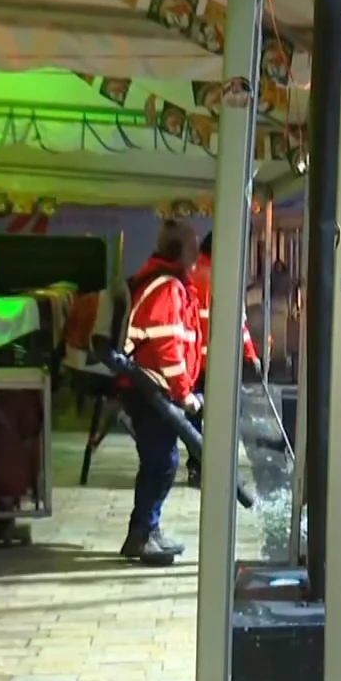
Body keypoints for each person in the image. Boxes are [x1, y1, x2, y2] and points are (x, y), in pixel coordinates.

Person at [116, 221, 204, 566]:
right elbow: (168, 347)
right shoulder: (167, 287)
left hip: (148, 389)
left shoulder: (165, 282)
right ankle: (144, 534)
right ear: (177, 250)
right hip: (151, 391)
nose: (196, 252)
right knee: (161, 463)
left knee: (158, 462)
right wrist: (184, 394)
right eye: (192, 245)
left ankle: (143, 532)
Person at [186, 232, 261, 485]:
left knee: (193, 416)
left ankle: (195, 465)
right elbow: (238, 323)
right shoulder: (223, 278)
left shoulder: (187, 275)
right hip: (217, 362)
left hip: (190, 363)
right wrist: (251, 356)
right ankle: (216, 465)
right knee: (222, 416)